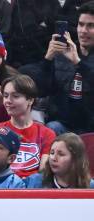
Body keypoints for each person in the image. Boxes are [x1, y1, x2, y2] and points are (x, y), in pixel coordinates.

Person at [21, 1, 94, 135]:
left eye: (91, 26)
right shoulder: (64, 54)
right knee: (50, 129)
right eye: (81, 24)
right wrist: (48, 60)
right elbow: (42, 90)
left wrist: (78, 62)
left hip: (90, 127)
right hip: (63, 125)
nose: (83, 31)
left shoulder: (74, 57)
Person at [0, 75, 56, 178]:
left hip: (32, 189)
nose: (8, 101)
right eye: (6, 96)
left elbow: (43, 172)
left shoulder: (47, 134)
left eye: (15, 96)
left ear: (30, 100)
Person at [25, 132, 94, 188]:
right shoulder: (35, 181)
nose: (53, 158)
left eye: (61, 154)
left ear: (75, 159)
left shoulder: (90, 186)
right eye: (52, 153)